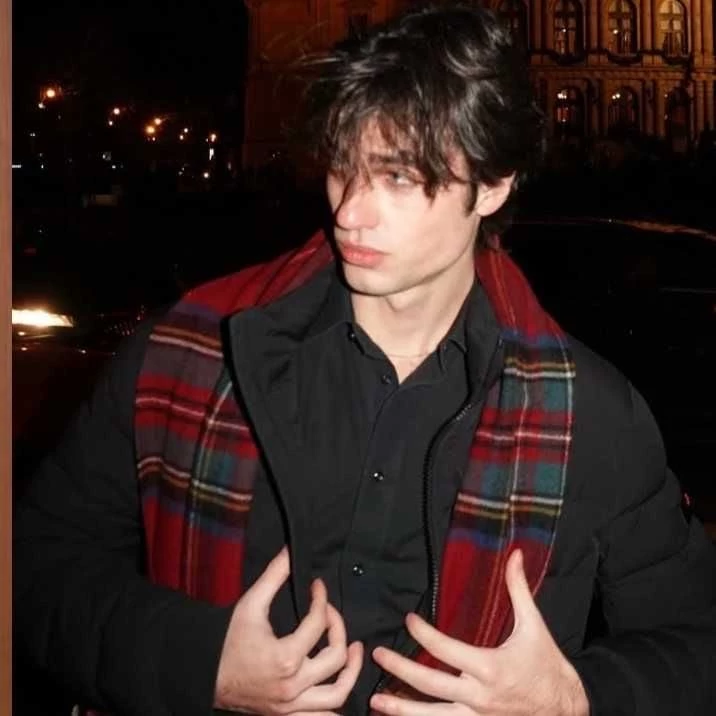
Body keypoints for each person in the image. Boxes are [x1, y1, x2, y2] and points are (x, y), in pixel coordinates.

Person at [14, 3, 716, 715]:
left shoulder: (589, 414)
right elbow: (32, 564)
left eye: (398, 177)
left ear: (494, 184)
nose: (349, 211)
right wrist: (197, 662)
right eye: (342, 168)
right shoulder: (188, 354)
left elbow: (698, 642)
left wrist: (572, 698)